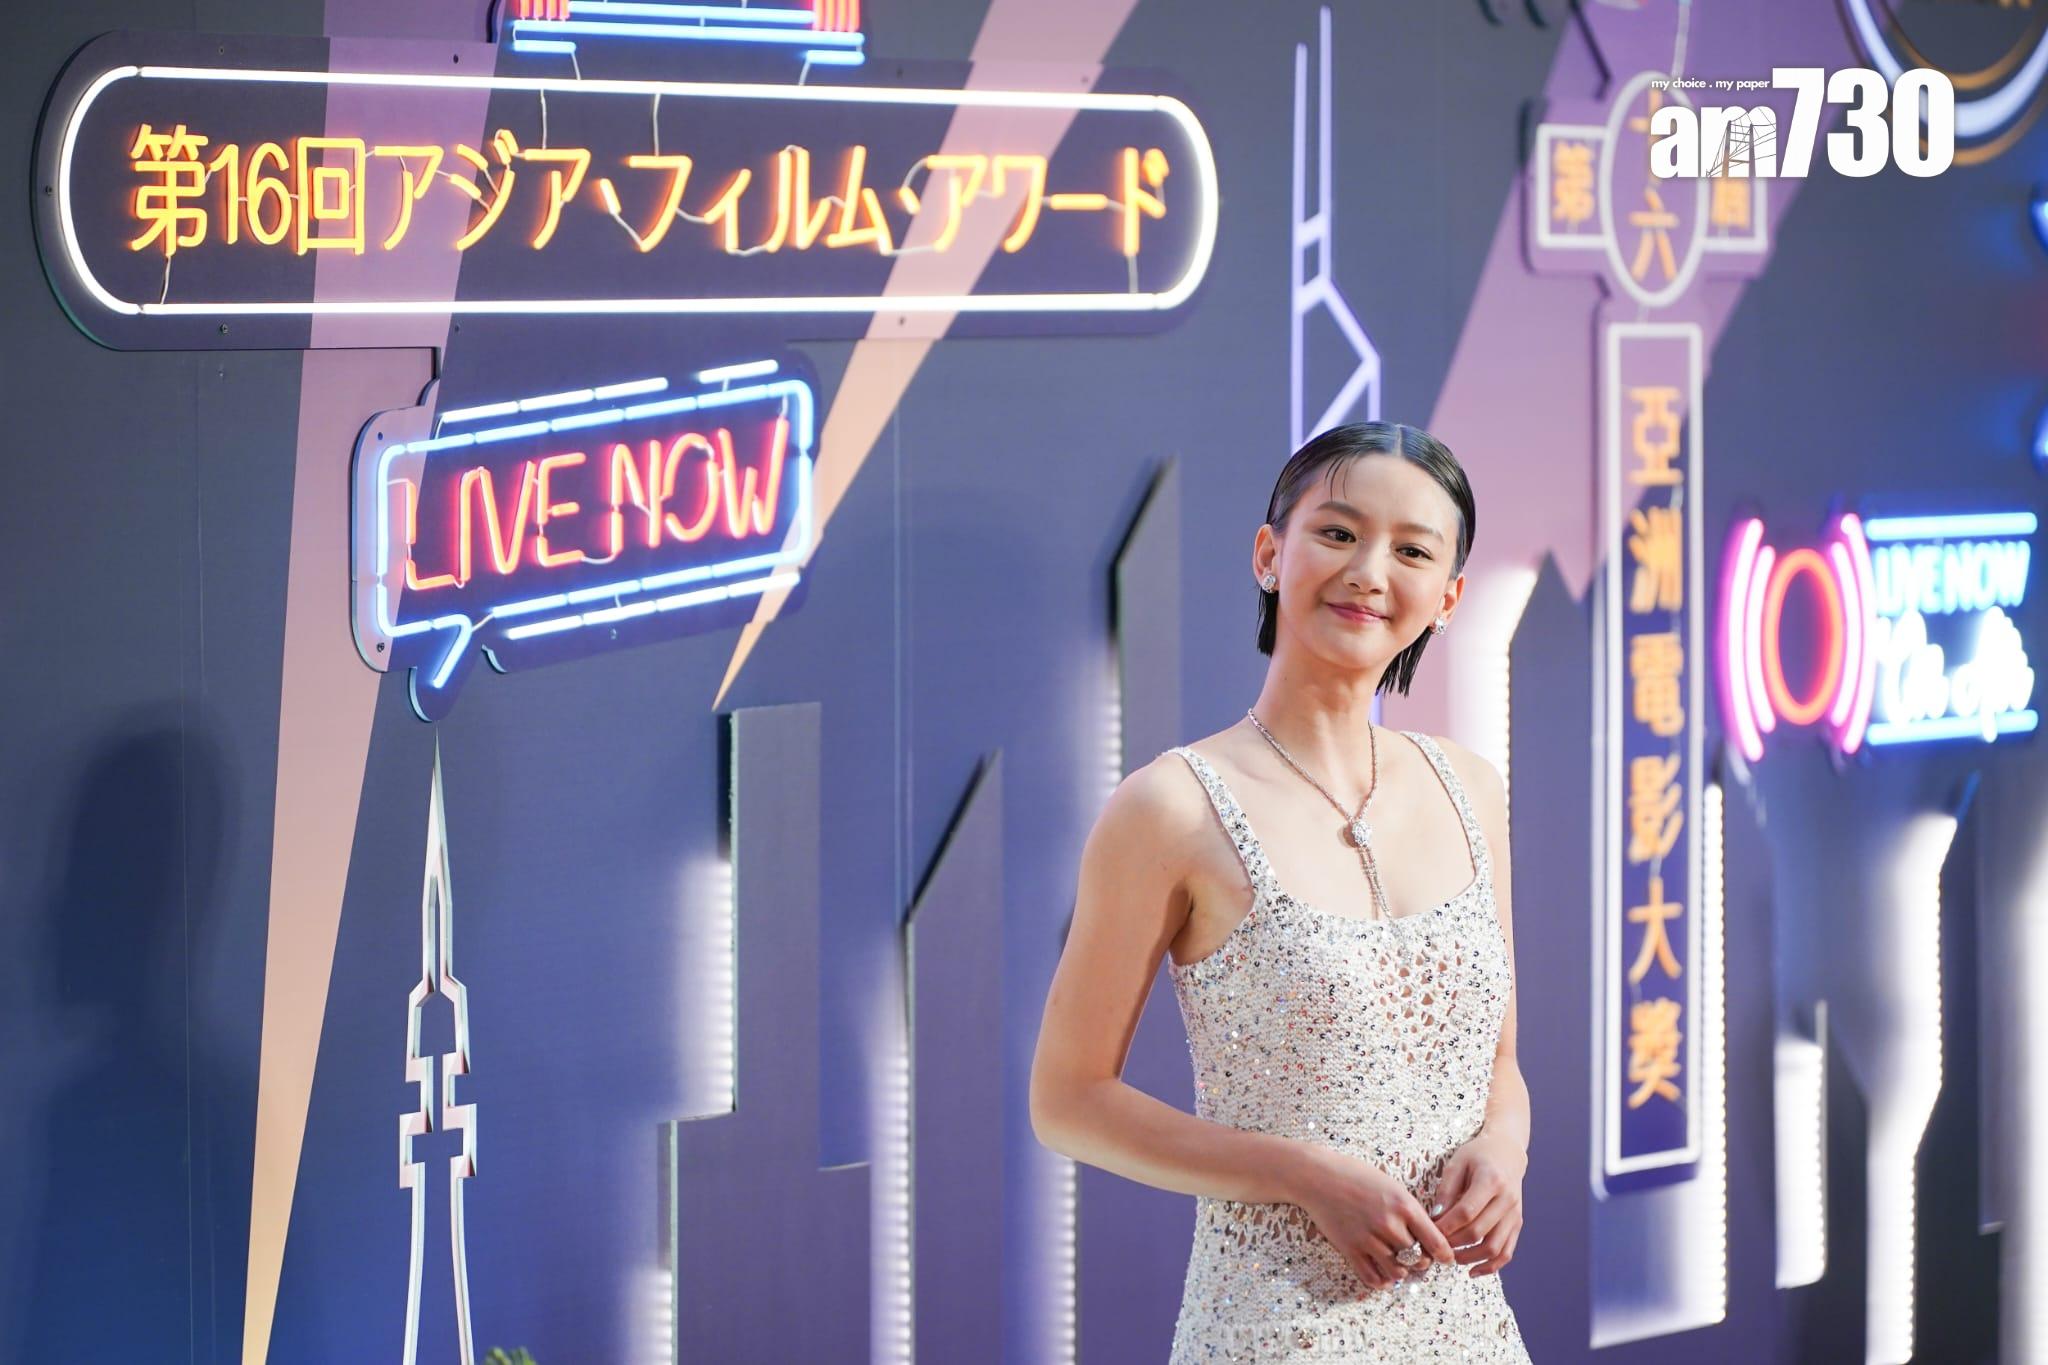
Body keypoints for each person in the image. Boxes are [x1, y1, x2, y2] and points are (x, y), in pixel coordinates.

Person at [1029, 422, 1532, 1361]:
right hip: (1269, 1328)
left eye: (1412, 550)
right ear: (1270, 554)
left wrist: (1506, 1147)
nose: (1369, 572)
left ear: (1449, 597)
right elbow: (1068, 1099)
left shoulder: (1471, 787)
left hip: (1467, 1328)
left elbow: (1498, 1063)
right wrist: (1302, 1173)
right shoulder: (1172, 807)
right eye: (1338, 533)